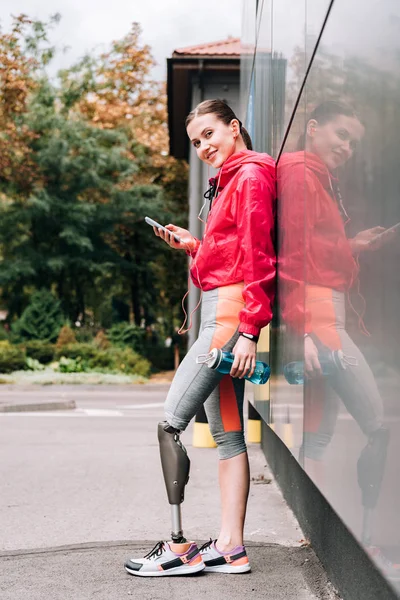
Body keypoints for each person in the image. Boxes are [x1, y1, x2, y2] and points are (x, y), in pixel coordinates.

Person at [125, 99, 276, 576]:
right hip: (223, 316)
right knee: (229, 438)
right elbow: (230, 255)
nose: (203, 147)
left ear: (234, 127)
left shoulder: (249, 177)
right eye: (195, 142)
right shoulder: (231, 180)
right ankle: (231, 547)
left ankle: (178, 546)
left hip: (227, 325)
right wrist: (193, 244)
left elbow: (259, 258)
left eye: (209, 135)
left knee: (170, 423)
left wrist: (249, 331)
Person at [278, 101, 392, 547]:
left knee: (319, 434)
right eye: (341, 134)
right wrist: (306, 330)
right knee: (377, 426)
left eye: (354, 141)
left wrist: (354, 244)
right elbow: (293, 253)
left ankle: (318, 536)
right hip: (321, 318)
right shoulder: (302, 176)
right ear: (312, 129)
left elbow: (316, 249)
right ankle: (366, 543)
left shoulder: (314, 177)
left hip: (322, 313)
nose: (347, 146)